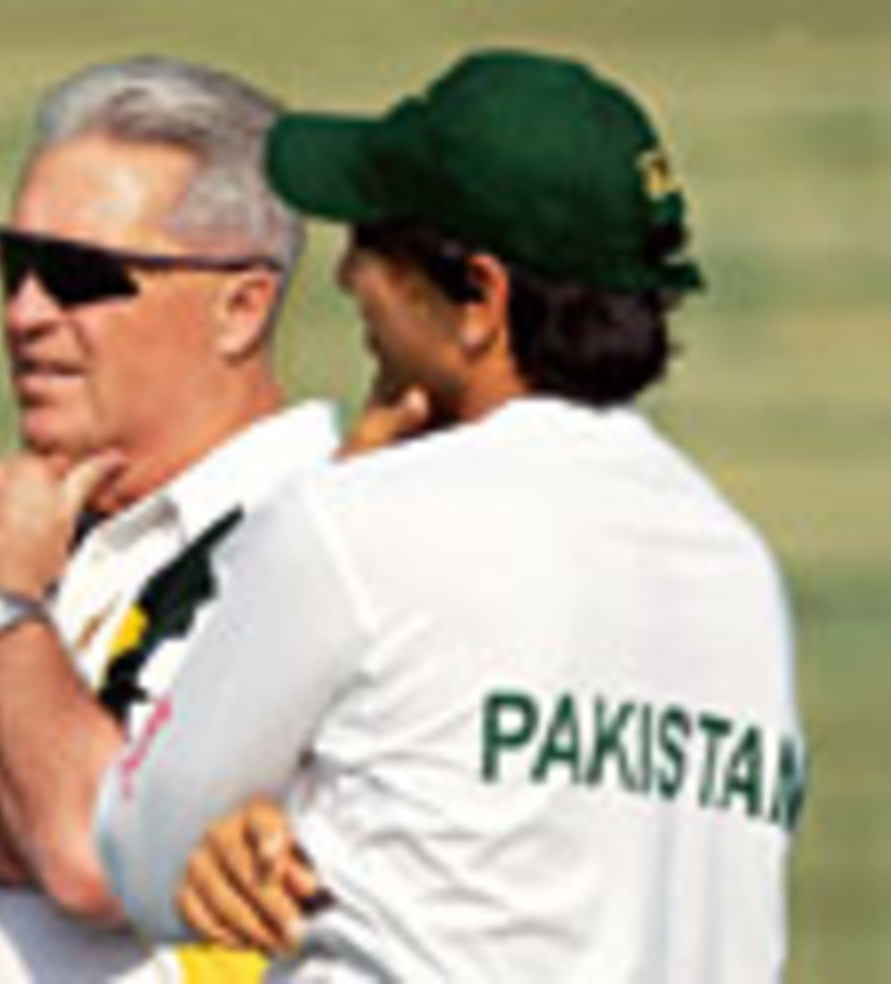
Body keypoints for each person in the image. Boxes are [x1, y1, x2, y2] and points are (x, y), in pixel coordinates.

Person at [95, 49, 808, 981]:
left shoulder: (354, 525)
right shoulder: (740, 568)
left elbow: (142, 849)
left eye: (376, 244)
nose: (348, 276)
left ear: (480, 297)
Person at [0, 57, 340, 982]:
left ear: (241, 306)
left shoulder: (314, 541)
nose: (25, 314)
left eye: (80, 275)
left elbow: (93, 852)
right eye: (17, 265)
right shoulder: (48, 546)